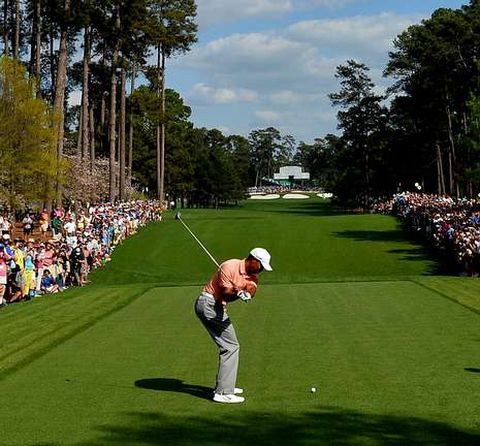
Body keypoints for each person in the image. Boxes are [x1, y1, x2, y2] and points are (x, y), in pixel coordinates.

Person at [194, 247, 272, 404]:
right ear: (253, 260)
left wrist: (247, 293)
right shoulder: (229, 266)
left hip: (215, 306)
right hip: (208, 304)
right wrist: (236, 293)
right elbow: (224, 293)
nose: (262, 269)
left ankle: (225, 385)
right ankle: (223, 392)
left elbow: (252, 287)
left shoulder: (253, 276)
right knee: (231, 346)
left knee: (231, 345)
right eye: (261, 265)